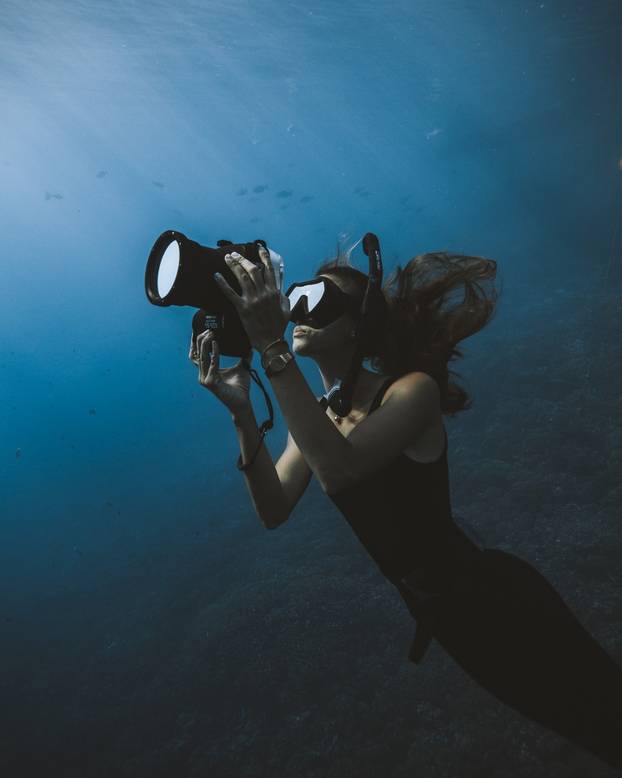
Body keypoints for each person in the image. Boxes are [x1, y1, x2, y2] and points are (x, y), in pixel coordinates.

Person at [189, 243, 622, 770]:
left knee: (607, 720)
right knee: (590, 731)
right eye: (297, 297)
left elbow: (341, 471)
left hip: (499, 603)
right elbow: (274, 509)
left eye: (320, 301)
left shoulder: (410, 392)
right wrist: (240, 415)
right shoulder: (319, 418)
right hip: (451, 623)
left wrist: (270, 345)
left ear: (357, 328)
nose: (300, 309)